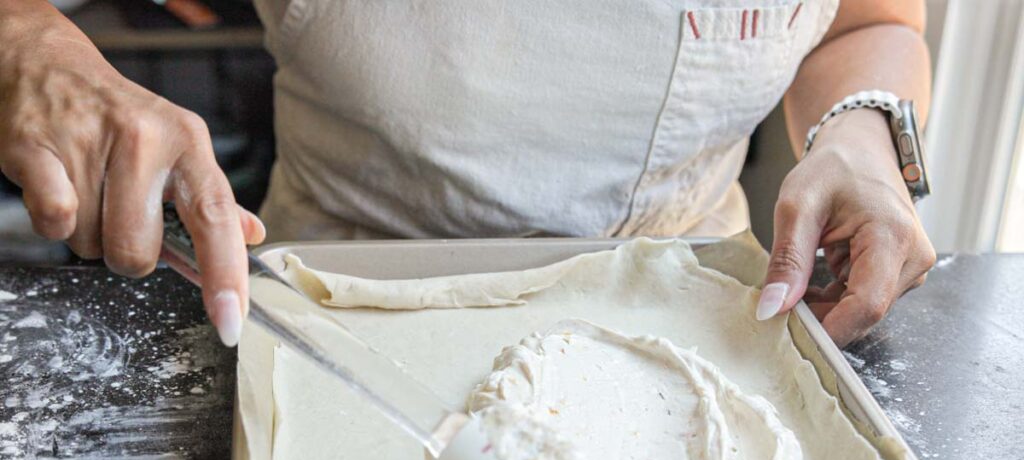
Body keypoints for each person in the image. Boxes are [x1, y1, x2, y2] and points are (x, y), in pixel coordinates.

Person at [0, 0, 935, 348]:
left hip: (701, 317)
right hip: (328, 319)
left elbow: (871, 24)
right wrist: (30, 44)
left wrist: (861, 134)